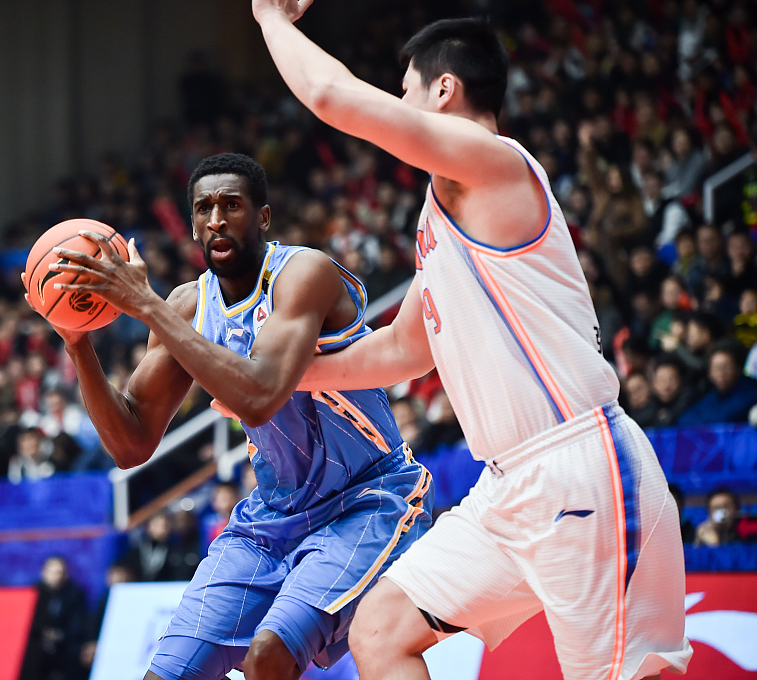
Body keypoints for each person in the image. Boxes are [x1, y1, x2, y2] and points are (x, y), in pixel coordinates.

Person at [250, 5, 691, 680]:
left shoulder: (493, 164)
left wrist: (270, 19)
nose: (399, 104)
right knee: (381, 629)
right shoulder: (445, 212)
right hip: (506, 486)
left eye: (405, 90)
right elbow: (399, 351)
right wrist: (268, 379)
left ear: (444, 89)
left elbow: (330, 95)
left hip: (580, 465)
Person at [24, 152, 433, 680]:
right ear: (193, 225)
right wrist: (77, 343)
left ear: (263, 217)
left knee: (269, 657)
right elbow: (131, 444)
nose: (216, 219)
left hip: (366, 499)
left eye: (231, 205)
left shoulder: (303, 273)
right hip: (272, 514)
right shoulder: (186, 306)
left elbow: (260, 395)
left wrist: (147, 306)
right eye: (204, 209)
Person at [19, 556, 89, 680]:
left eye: (60, 572)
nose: (57, 576)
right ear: (43, 572)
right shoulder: (33, 591)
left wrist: (59, 635)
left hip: (64, 646)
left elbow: (77, 624)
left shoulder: (74, 593)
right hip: (36, 644)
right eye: (53, 572)